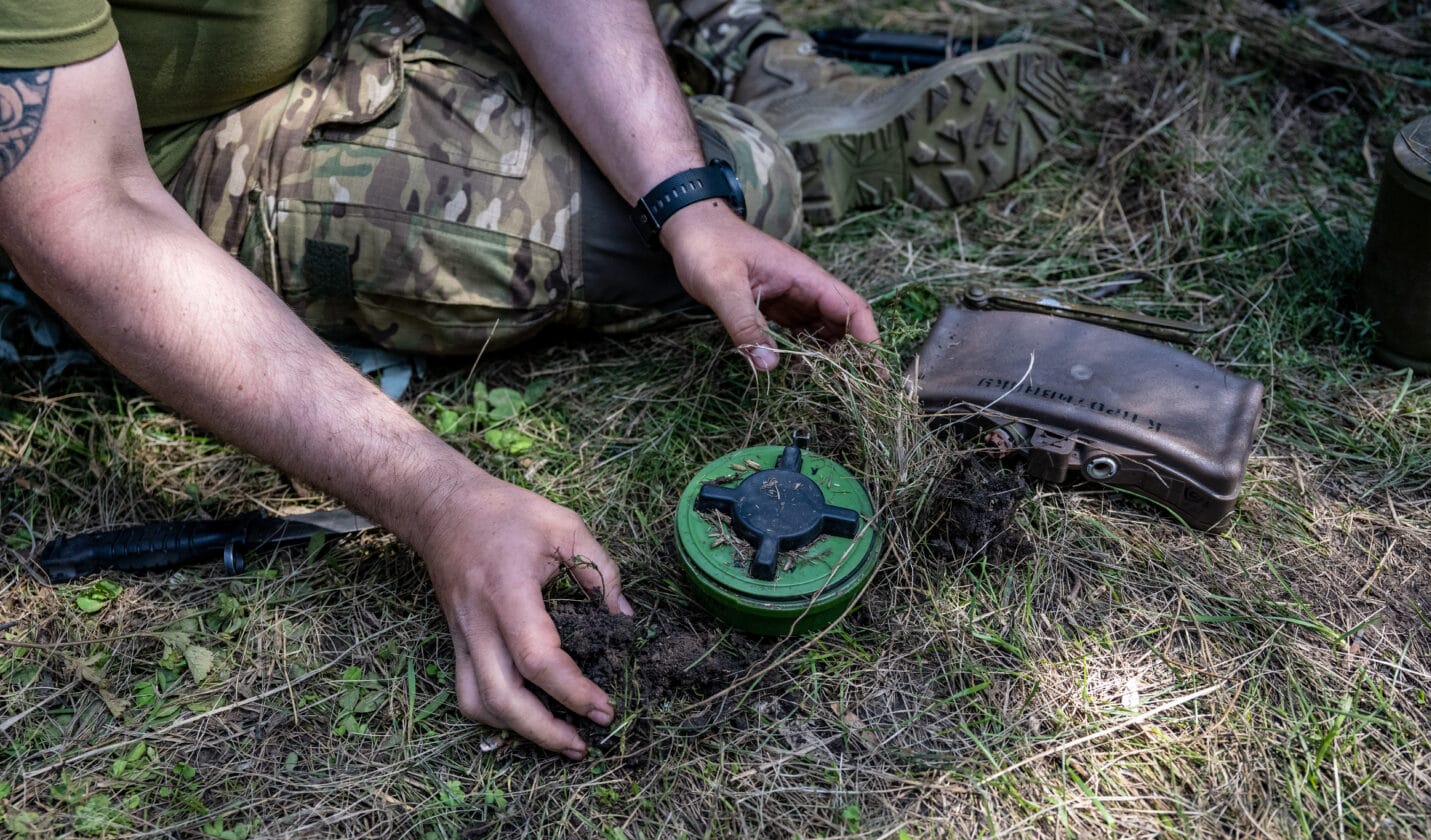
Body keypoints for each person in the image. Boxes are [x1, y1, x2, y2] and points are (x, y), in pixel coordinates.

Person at [0, 0, 1068, 758]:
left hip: (328, 27)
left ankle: (749, 60)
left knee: (695, 199)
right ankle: (766, 110)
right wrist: (441, 494)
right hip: (146, 138)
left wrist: (689, 201)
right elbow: (88, 201)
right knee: (671, 207)